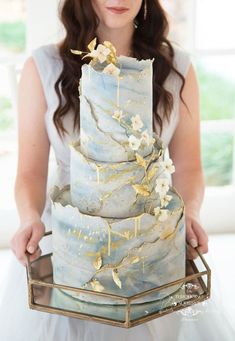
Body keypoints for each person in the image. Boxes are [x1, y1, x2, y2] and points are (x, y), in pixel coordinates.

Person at [0, 1, 234, 340]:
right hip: (71, 247)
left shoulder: (177, 68)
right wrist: (28, 217)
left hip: (150, 250)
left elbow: (188, 167)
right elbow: (30, 173)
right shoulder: (44, 67)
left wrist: (190, 214)